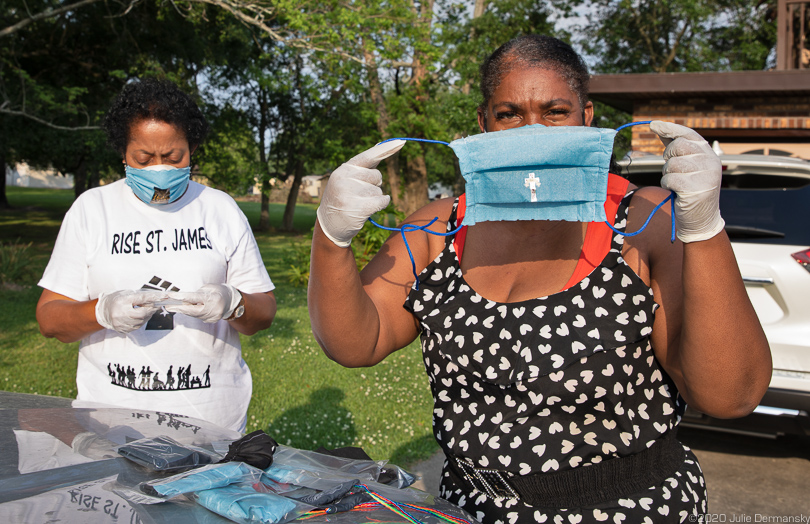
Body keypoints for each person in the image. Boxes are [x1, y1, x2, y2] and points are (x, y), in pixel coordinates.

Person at [308, 35, 772, 522]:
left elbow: (731, 396)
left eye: (554, 111)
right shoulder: (436, 230)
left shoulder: (642, 220)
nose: (533, 133)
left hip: (627, 507)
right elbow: (356, 343)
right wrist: (330, 234)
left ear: (587, 118)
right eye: (509, 114)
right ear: (483, 124)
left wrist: (704, 229)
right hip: (472, 508)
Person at [36, 78, 276, 433]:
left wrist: (233, 302)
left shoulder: (219, 209)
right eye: (143, 158)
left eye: (173, 157)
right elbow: (50, 319)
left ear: (192, 149)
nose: (159, 169)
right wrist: (101, 310)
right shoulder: (92, 210)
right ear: (123, 153)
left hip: (211, 421)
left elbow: (264, 312)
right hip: (110, 420)